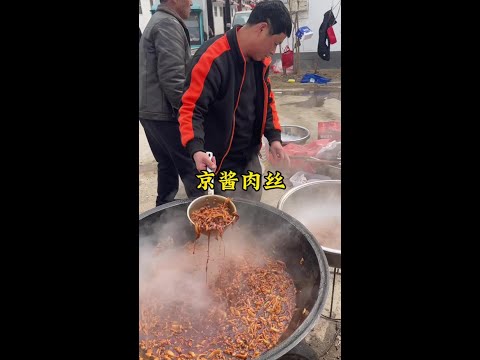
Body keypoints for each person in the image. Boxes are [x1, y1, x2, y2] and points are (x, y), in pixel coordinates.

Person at [178, 0, 291, 201]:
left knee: (251, 216)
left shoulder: (260, 63)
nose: (274, 52)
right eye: (275, 43)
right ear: (261, 28)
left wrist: (274, 138)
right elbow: (191, 109)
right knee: (215, 221)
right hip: (215, 164)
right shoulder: (213, 57)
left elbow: (268, 101)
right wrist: (196, 149)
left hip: (248, 161)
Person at [139, 0, 204, 207]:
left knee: (166, 164)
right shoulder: (167, 24)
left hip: (150, 111)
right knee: (192, 167)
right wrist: (189, 117)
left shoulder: (159, 21)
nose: (191, 2)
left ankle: (162, 211)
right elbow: (173, 79)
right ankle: (204, 218)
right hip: (165, 112)